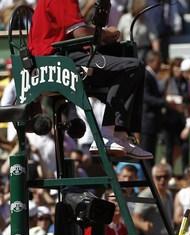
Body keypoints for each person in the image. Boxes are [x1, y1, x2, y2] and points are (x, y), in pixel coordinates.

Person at [28, 0, 152, 160]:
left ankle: (120, 135)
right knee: (132, 67)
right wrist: (107, 34)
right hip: (58, 61)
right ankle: (108, 135)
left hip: (59, 58)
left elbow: (76, 31)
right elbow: (80, 34)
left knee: (132, 64)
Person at [141, 50, 166, 163]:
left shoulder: (152, 75)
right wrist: (164, 102)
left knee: (150, 155)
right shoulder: (146, 75)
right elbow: (146, 97)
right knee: (147, 155)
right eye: (158, 62)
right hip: (147, 122)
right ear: (151, 62)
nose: (160, 65)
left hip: (152, 123)